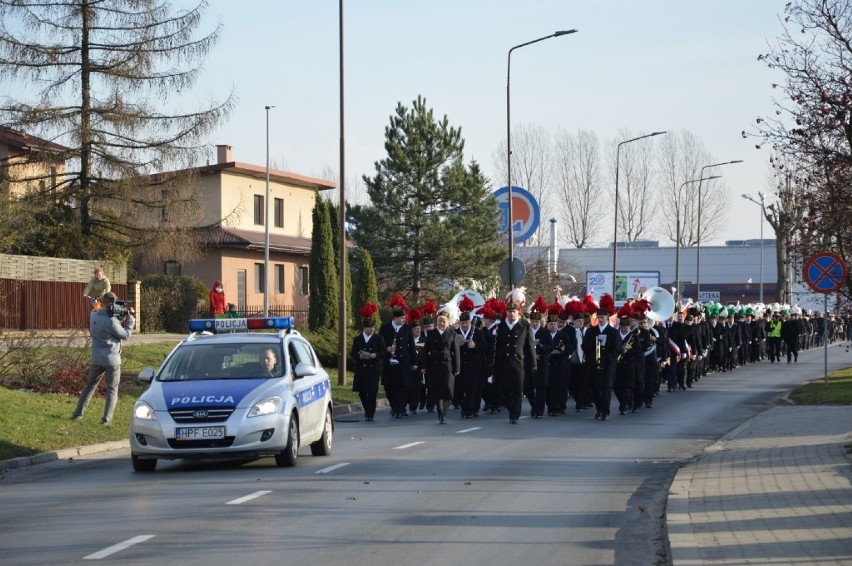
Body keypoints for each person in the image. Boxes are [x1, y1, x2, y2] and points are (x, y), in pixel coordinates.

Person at [71, 292, 135, 425]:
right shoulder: (111, 322)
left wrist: (120, 319)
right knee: (112, 389)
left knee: (89, 387)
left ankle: (77, 414)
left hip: (97, 359)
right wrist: (131, 320)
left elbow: (110, 324)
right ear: (112, 304)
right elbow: (125, 335)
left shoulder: (93, 315)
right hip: (112, 361)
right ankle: (106, 420)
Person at [493, 299, 536, 424]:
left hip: (519, 363)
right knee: (505, 390)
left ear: (518, 312)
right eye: (509, 311)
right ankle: (510, 408)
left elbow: (530, 346)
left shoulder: (524, 325)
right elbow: (497, 345)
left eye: (514, 311)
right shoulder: (500, 326)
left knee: (517, 390)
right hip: (503, 363)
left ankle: (515, 414)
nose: (512, 314)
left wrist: (533, 364)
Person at [379, 295, 417, 418]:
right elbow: (380, 344)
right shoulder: (385, 328)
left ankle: (400, 408)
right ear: (395, 318)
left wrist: (414, 362)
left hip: (403, 361)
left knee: (404, 386)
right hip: (389, 362)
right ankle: (394, 406)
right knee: (390, 386)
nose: (404, 320)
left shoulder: (407, 329)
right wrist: (387, 349)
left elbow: (411, 346)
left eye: (404, 318)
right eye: (401, 318)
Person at [422, 308, 460, 424]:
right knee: (436, 390)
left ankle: (444, 411)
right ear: (437, 322)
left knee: (448, 391)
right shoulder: (431, 333)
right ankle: (439, 411)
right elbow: (425, 351)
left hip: (448, 365)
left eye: (444, 321)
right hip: (434, 366)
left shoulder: (452, 333)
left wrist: (457, 367)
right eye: (440, 321)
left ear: (447, 322)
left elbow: (456, 351)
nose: (441, 323)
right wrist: (424, 366)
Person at [351, 303, 387, 422]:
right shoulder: (358, 339)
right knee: (362, 392)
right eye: (369, 328)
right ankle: (367, 409)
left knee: (372, 392)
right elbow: (353, 353)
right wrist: (359, 356)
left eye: (372, 328)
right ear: (364, 328)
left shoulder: (378, 338)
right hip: (362, 368)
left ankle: (370, 413)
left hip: (373, 368)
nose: (371, 329)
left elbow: (383, 352)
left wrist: (375, 355)